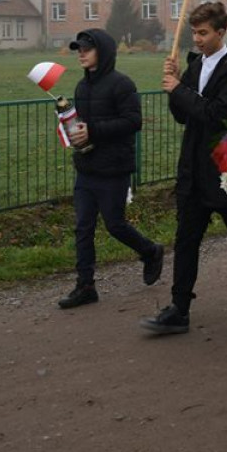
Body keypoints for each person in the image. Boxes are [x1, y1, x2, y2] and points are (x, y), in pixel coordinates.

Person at [140, 2, 227, 334]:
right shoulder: (195, 65)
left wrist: (179, 90)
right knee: (186, 238)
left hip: (223, 168)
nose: (197, 39)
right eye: (194, 32)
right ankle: (179, 308)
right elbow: (183, 115)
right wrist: (174, 84)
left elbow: (217, 113)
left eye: (203, 33)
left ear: (221, 32)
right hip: (192, 167)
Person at [58, 28, 165, 309]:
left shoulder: (122, 85)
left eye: (86, 48)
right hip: (86, 167)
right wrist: (75, 132)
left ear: (102, 52)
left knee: (115, 224)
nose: (80, 53)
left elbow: (133, 122)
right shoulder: (81, 87)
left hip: (114, 168)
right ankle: (85, 286)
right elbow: (82, 125)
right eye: (78, 48)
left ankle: (151, 251)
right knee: (83, 227)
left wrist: (92, 131)